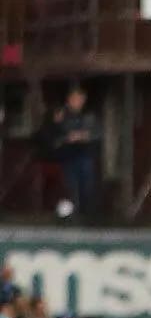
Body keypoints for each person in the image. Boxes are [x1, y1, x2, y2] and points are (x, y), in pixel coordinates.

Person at [46, 87, 98, 220]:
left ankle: (87, 214)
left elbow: (95, 134)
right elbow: (55, 134)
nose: (77, 102)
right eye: (74, 99)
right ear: (69, 100)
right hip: (68, 156)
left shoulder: (88, 115)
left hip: (84, 154)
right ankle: (73, 214)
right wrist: (66, 136)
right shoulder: (61, 115)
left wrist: (82, 136)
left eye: (79, 99)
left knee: (86, 185)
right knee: (70, 186)